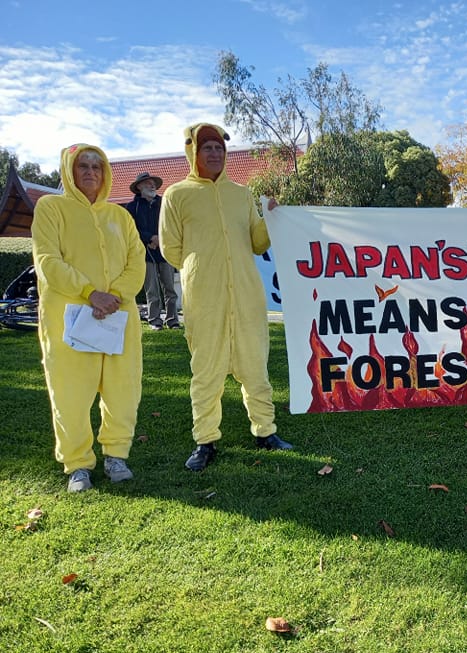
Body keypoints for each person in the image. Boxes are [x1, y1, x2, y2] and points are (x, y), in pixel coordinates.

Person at [159, 123, 292, 471]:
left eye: (219, 147)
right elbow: (172, 248)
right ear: (193, 151)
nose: (215, 153)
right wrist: (201, 268)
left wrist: (272, 218)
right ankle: (205, 441)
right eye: (208, 148)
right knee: (205, 372)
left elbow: (257, 242)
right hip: (204, 298)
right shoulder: (177, 195)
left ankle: (265, 431)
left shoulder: (242, 194)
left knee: (255, 366)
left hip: (246, 295)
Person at [31, 144, 146, 492]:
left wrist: (115, 295)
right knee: (70, 393)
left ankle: (116, 455)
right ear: (69, 169)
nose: (91, 172)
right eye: (83, 165)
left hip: (118, 317)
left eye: (97, 166)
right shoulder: (51, 208)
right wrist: (89, 292)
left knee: (122, 388)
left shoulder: (120, 217)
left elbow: (136, 260)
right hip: (68, 320)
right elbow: (47, 260)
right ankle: (78, 464)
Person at [126, 171, 179, 330]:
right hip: (145, 252)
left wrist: (160, 239)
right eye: (148, 183)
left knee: (170, 288)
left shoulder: (164, 203)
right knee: (152, 288)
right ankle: (155, 320)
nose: (152, 185)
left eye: (153, 183)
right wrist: (149, 238)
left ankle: (173, 320)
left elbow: (172, 224)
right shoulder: (132, 207)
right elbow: (131, 229)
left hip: (165, 250)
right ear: (139, 187)